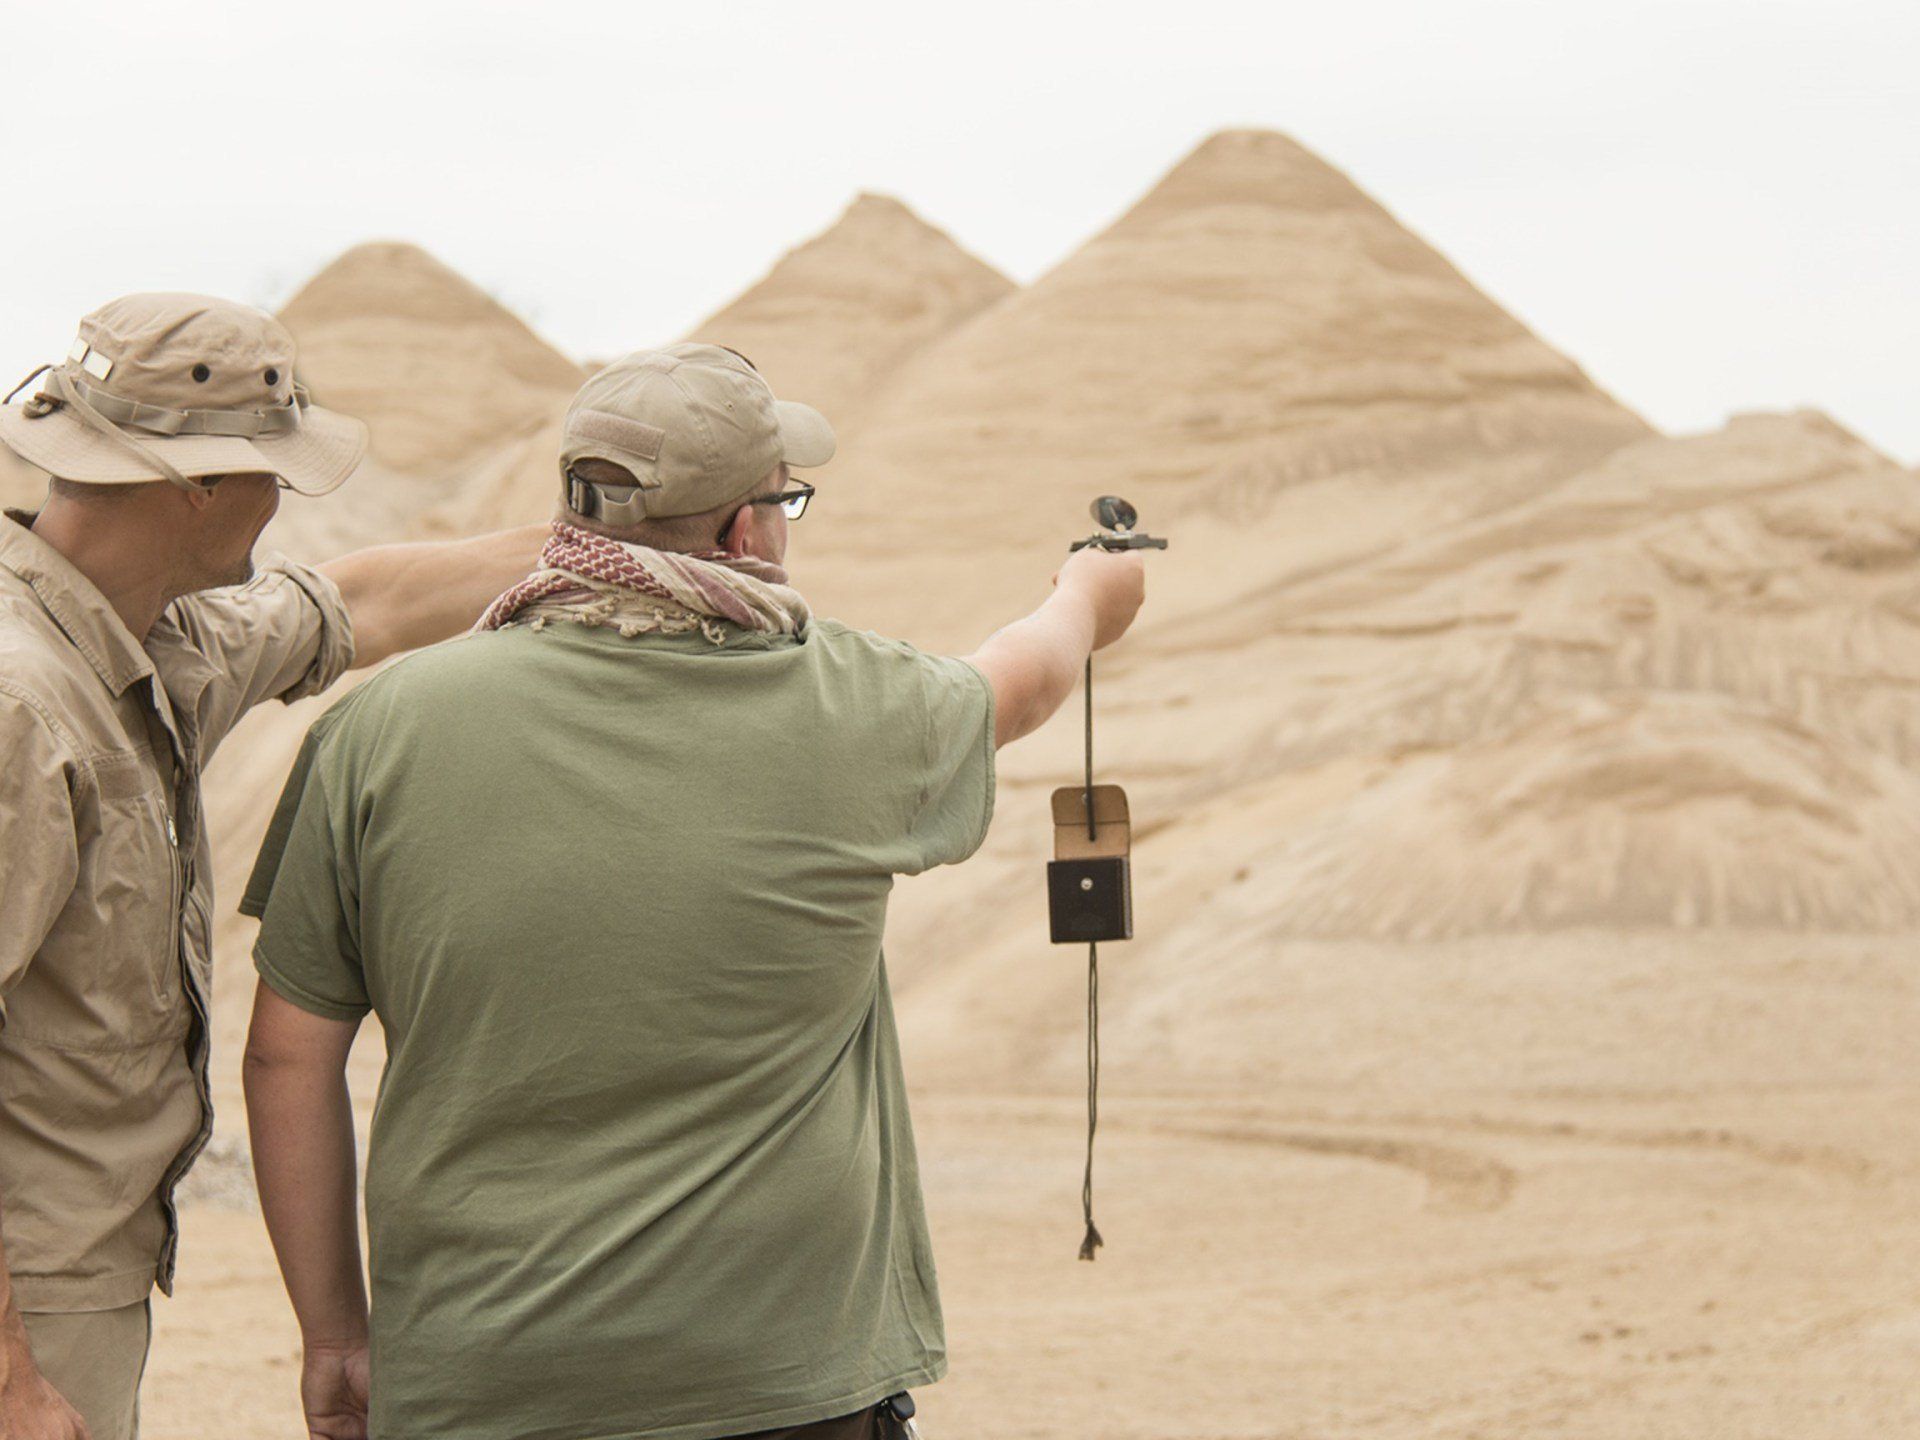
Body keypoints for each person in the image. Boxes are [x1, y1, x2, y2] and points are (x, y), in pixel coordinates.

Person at [241, 342, 1148, 1440]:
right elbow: (1027, 677)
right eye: (784, 499)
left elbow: (288, 1056)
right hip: (784, 1383)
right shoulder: (855, 704)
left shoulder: (379, 728)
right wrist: (1091, 592)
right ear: (742, 532)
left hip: (477, 1382)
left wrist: (335, 1335)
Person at [0, 292, 546, 1440]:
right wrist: (12, 1379)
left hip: (72, 1279)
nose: (281, 499)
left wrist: (623, 546)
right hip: (28, 1305)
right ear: (197, 485)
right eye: (272, 471)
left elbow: (360, 602)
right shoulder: (24, 706)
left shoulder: (145, 633)